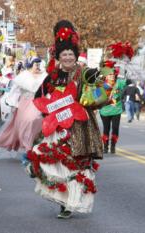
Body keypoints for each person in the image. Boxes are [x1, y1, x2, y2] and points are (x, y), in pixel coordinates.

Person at [23, 20, 107, 219]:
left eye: (71, 54)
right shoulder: (52, 76)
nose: (68, 57)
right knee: (53, 164)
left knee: (75, 166)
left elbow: (100, 90)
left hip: (79, 127)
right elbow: (38, 98)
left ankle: (71, 204)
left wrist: (103, 76)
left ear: (75, 56)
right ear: (59, 57)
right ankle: (62, 201)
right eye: (64, 54)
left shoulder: (84, 73)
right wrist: (50, 110)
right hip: (57, 128)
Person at [0, 56, 45, 151]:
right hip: (25, 103)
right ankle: (27, 144)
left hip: (38, 102)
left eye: (39, 64)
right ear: (31, 65)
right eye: (36, 64)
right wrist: (13, 103)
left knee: (37, 119)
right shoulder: (23, 76)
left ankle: (33, 142)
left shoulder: (44, 75)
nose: (38, 66)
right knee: (25, 123)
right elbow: (15, 91)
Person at [100, 71, 126, 154]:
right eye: (109, 75)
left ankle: (113, 146)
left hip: (116, 110)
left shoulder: (119, 83)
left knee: (115, 129)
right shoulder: (101, 85)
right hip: (105, 111)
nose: (112, 76)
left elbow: (127, 81)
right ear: (106, 76)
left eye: (113, 74)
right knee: (106, 129)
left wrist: (125, 71)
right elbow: (96, 97)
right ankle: (105, 147)